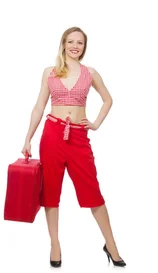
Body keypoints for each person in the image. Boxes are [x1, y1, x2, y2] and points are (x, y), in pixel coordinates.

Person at [21, 26, 125, 268]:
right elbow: (39, 106)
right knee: (51, 192)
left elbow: (108, 99)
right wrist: (28, 137)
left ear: (84, 47)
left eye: (79, 42)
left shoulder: (90, 73)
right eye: (70, 41)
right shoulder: (51, 72)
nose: (75, 46)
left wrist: (96, 123)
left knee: (93, 192)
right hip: (53, 135)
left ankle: (111, 245)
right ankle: (55, 244)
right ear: (63, 44)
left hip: (78, 137)